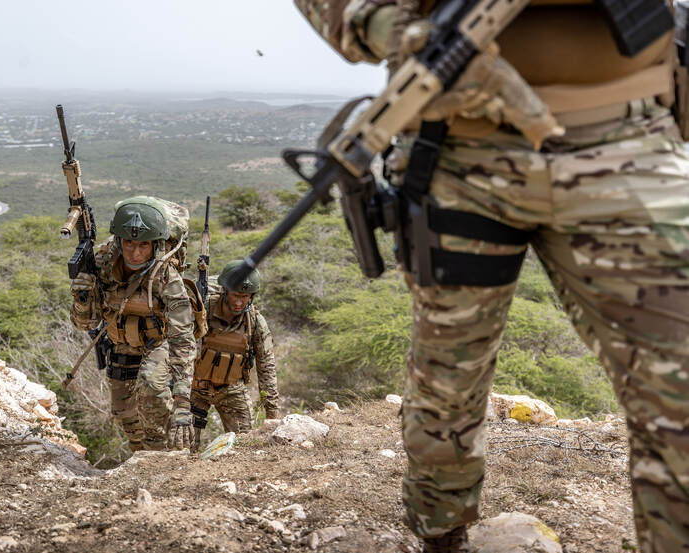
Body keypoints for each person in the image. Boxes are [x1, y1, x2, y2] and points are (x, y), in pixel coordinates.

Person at [293, 2, 689, 552]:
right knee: (447, 383)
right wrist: (386, 27)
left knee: (679, 385)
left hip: (627, 142)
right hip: (455, 153)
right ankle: (441, 531)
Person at [70, 196, 197, 451]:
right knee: (122, 411)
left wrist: (183, 403)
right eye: (129, 243)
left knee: (151, 385)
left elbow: (183, 340)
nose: (136, 253)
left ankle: (160, 451)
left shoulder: (167, 276)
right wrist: (82, 299)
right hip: (122, 342)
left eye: (144, 245)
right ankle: (140, 456)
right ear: (119, 241)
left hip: (159, 341)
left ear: (155, 244)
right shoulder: (101, 264)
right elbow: (85, 324)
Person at [190, 260, 279, 451]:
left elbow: (266, 366)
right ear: (225, 291)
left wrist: (272, 413)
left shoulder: (255, 321)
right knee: (181, 446)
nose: (239, 302)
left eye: (245, 297)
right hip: (195, 388)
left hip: (232, 389)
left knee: (244, 446)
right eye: (235, 295)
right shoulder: (202, 310)